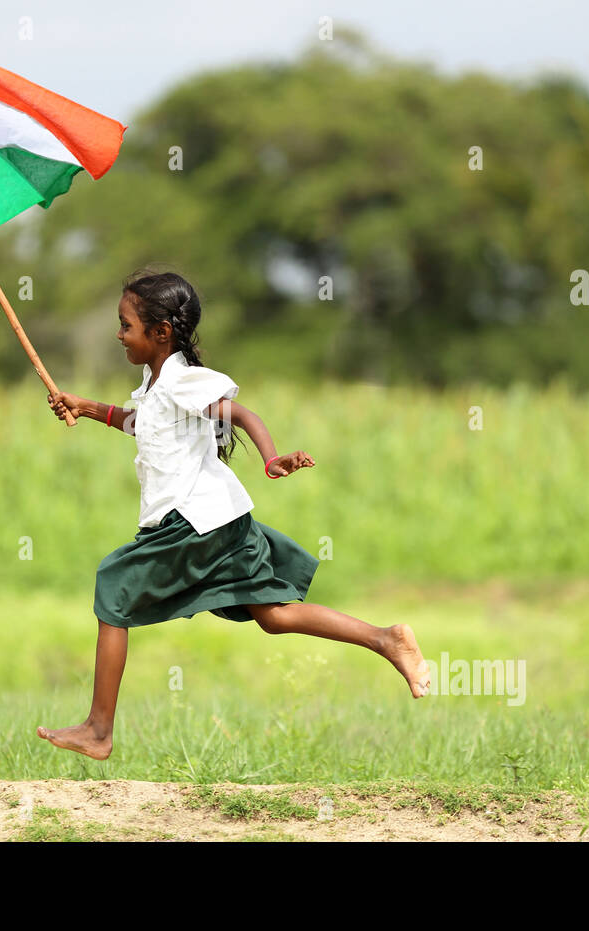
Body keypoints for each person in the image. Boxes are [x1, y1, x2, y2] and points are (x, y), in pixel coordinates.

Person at [38, 270, 430, 760]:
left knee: (113, 584)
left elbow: (241, 416)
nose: (118, 335)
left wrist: (270, 459)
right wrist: (87, 407)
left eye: (125, 325)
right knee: (273, 616)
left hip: (194, 521)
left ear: (160, 333)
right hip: (221, 519)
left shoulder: (182, 380)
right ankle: (386, 639)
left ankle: (99, 729)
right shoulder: (158, 381)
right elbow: (138, 423)